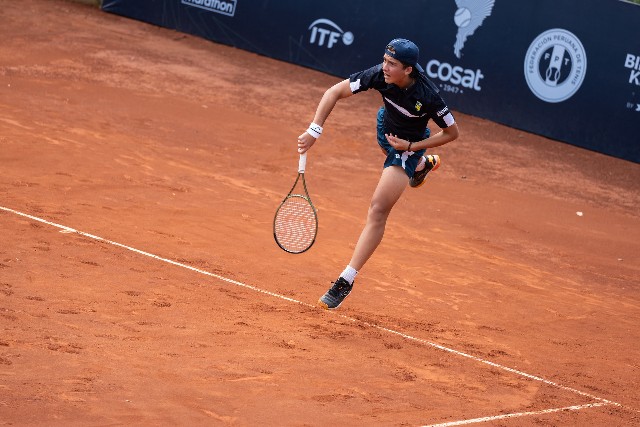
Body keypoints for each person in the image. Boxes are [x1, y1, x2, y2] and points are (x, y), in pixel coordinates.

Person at [297, 38, 459, 310]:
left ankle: (345, 280)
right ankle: (420, 168)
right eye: (384, 60)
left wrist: (412, 147)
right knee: (388, 136)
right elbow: (333, 92)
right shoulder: (378, 75)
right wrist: (314, 130)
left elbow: (453, 133)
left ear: (408, 70)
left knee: (378, 209)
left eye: (391, 64)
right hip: (386, 127)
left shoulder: (428, 96)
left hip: (407, 145)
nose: (384, 67)